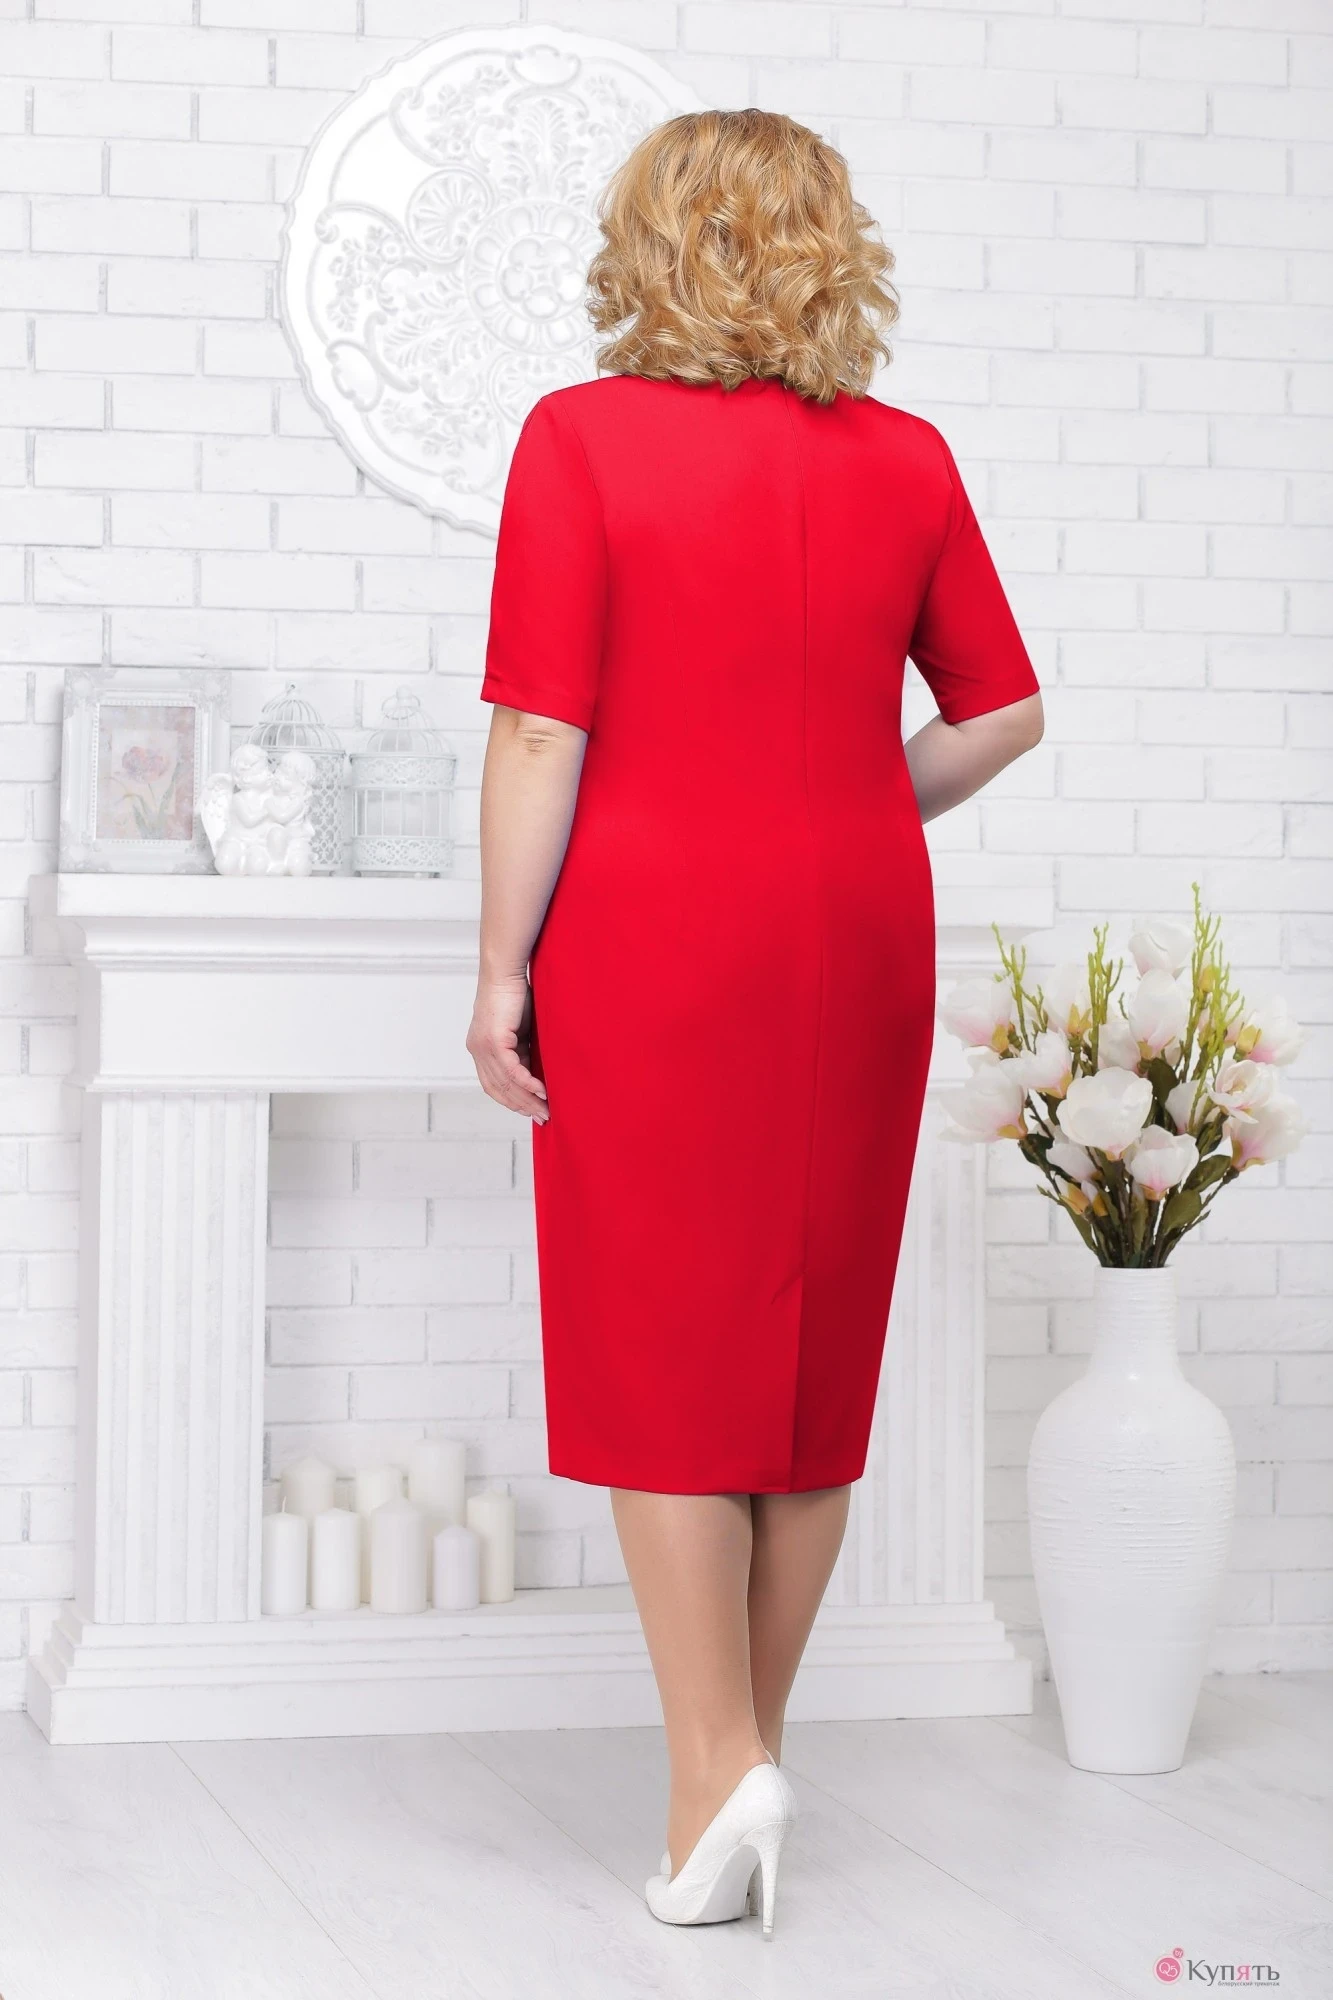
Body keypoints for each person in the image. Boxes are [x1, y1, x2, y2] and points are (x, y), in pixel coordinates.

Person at [466, 107, 1043, 1939]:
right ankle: (739, 1763)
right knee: (804, 1358)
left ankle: (719, 1773)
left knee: (660, 1348)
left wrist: (500, 967)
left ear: (651, 246)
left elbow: (540, 729)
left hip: (653, 929)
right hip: (857, 929)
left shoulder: (582, 439)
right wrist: (857, 802)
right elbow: (1003, 712)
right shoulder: (909, 459)